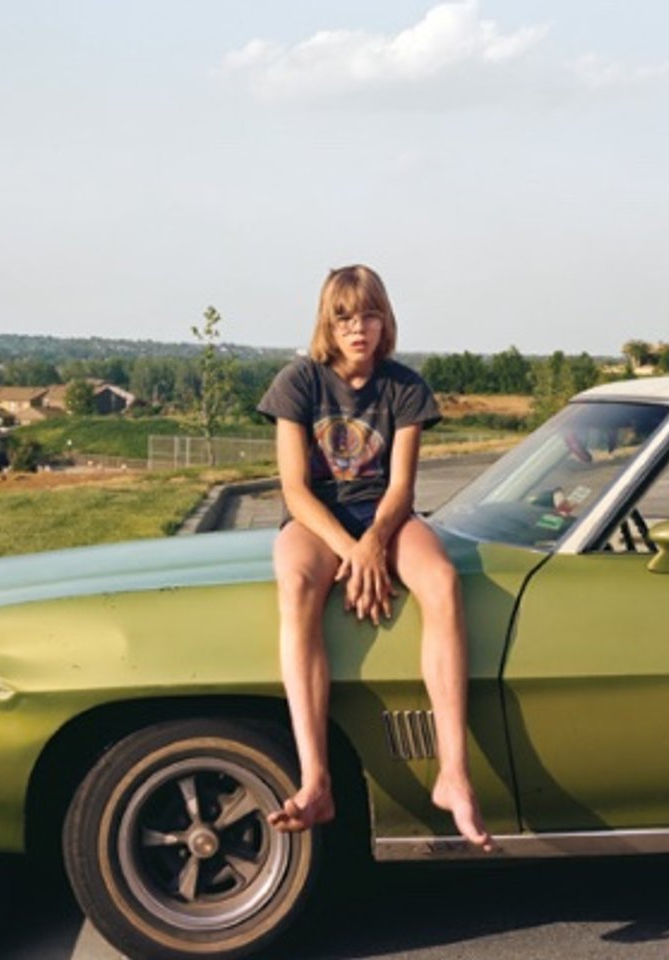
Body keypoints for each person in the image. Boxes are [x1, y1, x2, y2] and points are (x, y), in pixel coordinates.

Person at [256, 264, 492, 851]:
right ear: (327, 324)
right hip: (319, 520)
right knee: (296, 584)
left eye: (368, 315)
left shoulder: (405, 387)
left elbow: (401, 490)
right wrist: (350, 551)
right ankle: (315, 780)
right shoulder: (299, 382)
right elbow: (294, 490)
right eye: (344, 317)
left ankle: (454, 775)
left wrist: (374, 543)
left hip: (385, 518)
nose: (357, 327)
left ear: (384, 320)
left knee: (439, 579)